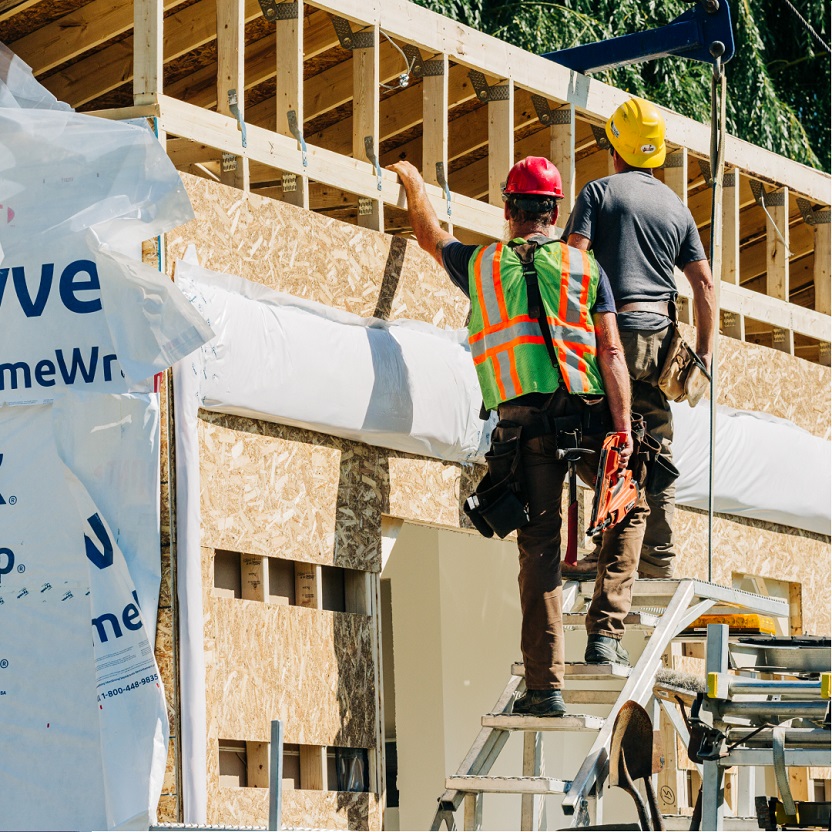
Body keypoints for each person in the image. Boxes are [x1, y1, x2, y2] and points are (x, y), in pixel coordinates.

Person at [387, 156, 647, 717]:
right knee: (629, 508)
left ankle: (544, 688)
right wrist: (622, 436)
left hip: (522, 430)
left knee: (539, 554)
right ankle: (605, 633)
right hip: (587, 419)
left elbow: (431, 237)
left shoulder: (481, 265)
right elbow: (611, 353)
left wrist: (413, 182)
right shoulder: (585, 267)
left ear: (508, 211)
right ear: (555, 211)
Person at [563, 97, 715, 580]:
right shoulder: (677, 209)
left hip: (613, 333)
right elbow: (705, 287)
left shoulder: (599, 194)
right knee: (657, 445)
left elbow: (572, 263)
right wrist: (705, 357)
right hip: (660, 340)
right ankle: (658, 561)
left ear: (616, 150)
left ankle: (607, 552)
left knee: (604, 436)